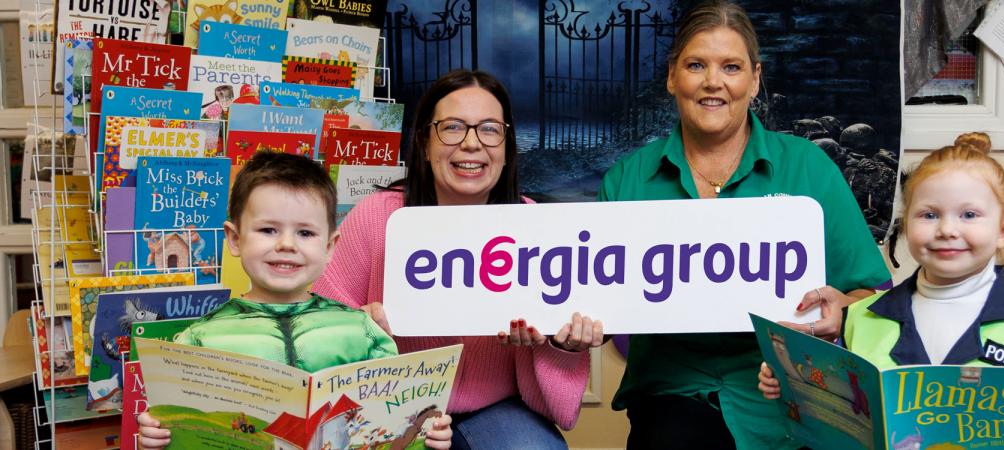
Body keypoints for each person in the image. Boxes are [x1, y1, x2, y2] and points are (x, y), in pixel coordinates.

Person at [595, 1, 890, 448]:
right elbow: (594, 301)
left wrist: (839, 312)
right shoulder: (628, 179)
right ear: (673, 76)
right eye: (696, 65)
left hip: (791, 396)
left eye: (730, 67)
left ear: (754, 79)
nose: (713, 82)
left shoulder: (809, 167)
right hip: (673, 394)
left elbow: (870, 292)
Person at [312, 69, 604, 450]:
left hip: (493, 408)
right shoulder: (376, 216)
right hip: (391, 406)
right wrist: (358, 330)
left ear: (506, 146)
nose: (471, 144)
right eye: (452, 127)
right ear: (424, 141)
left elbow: (560, 408)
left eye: (489, 129)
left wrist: (558, 345)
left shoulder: (534, 224)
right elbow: (319, 330)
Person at [758, 133, 1004, 450]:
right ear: (905, 225)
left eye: (969, 214)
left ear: (1003, 230)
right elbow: (828, 392)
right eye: (928, 215)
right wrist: (787, 381)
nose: (947, 229)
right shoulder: (859, 318)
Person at [136, 151, 453, 449]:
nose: (286, 244)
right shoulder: (199, 339)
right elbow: (177, 426)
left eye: (305, 233)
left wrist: (429, 435)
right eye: (268, 229)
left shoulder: (362, 331)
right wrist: (153, 438)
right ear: (234, 239)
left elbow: (397, 422)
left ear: (330, 246)